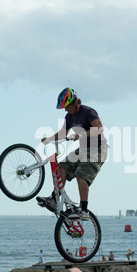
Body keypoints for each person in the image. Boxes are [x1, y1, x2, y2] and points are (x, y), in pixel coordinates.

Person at [36, 87, 108, 220]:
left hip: (98, 149)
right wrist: (49, 139)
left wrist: (80, 135)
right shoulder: (69, 116)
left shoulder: (88, 111)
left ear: (75, 103)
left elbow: (99, 128)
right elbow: (63, 133)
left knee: (81, 174)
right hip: (83, 150)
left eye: (66, 106)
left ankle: (84, 210)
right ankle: (54, 198)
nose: (65, 109)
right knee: (62, 168)